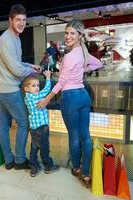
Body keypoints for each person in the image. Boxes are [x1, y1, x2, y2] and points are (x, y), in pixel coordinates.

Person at [36, 19, 103, 187]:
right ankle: (86, 174)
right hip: (83, 96)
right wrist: (82, 69)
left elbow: (61, 83)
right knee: (85, 136)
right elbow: (99, 63)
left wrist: (46, 99)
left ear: (79, 35)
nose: (68, 36)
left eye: (72, 33)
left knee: (74, 136)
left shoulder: (69, 57)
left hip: (71, 99)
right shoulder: (83, 52)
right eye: (66, 33)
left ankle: (77, 169)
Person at [0, 4, 41, 170]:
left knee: (5, 126)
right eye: (18, 19)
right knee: (23, 123)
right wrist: (30, 72)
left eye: (24, 20)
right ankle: (19, 160)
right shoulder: (6, 40)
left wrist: (30, 65)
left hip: (1, 89)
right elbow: (16, 70)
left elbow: (17, 63)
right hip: (8, 90)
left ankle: (8, 161)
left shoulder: (15, 38)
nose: (21, 23)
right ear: (10, 20)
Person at [22, 72, 60, 177]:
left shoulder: (27, 98)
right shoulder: (36, 97)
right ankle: (48, 166)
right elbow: (47, 90)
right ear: (26, 89)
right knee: (44, 148)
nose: (37, 88)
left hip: (33, 128)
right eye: (33, 86)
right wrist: (48, 77)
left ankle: (33, 167)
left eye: (38, 85)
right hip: (42, 128)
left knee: (34, 148)